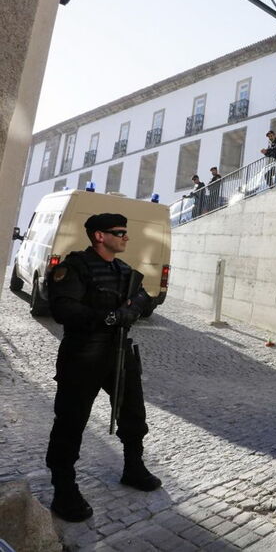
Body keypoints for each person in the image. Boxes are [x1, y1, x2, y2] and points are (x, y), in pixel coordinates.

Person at [45, 213, 160, 522]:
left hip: (120, 353)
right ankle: (63, 488)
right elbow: (63, 308)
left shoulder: (123, 270)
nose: (125, 237)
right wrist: (109, 317)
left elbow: (146, 300)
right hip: (83, 354)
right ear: (99, 236)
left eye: (125, 231)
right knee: (71, 421)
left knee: (133, 413)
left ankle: (133, 467)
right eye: (119, 232)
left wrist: (132, 308)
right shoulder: (75, 268)